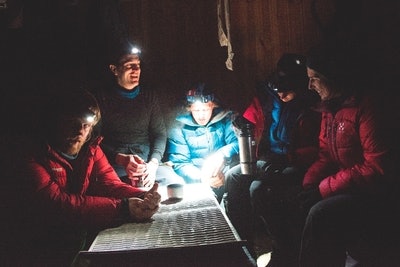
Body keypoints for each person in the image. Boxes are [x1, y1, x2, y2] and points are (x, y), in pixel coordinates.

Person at [2, 89, 161, 267]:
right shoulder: (31, 155)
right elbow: (56, 204)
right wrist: (123, 208)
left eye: (86, 126)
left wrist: (142, 195)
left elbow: (108, 184)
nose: (80, 131)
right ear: (55, 122)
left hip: (74, 235)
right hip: (33, 244)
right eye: (73, 123)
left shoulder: (90, 149)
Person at [297, 45, 399, 267]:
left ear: (332, 76)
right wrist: (309, 185)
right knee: (299, 200)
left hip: (375, 193)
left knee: (321, 213)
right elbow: (326, 155)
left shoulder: (367, 107)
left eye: (314, 78)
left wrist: (323, 190)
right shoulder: (330, 108)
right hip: (351, 184)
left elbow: (376, 167)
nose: (309, 86)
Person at [224, 53, 321, 264]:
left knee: (258, 189)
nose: (281, 94)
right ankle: (241, 246)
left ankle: (282, 249)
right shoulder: (273, 97)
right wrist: (242, 122)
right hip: (271, 157)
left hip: (294, 162)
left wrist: (287, 158)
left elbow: (318, 149)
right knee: (233, 176)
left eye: (286, 90)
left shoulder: (311, 108)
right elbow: (255, 111)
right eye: (279, 89)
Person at [93, 41, 185, 188]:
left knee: (176, 185)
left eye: (138, 65)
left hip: (147, 165)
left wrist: (154, 163)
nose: (136, 70)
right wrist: (121, 159)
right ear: (114, 69)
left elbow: (159, 134)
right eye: (130, 65)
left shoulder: (149, 97)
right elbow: (93, 140)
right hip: (114, 166)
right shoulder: (102, 99)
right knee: (118, 192)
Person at [166, 82, 239, 203]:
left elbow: (236, 143)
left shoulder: (225, 120)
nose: (201, 115)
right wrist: (202, 177)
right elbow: (180, 162)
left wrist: (220, 155)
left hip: (223, 173)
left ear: (213, 106)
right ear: (190, 108)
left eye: (205, 109)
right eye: (196, 110)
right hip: (196, 179)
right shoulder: (179, 127)